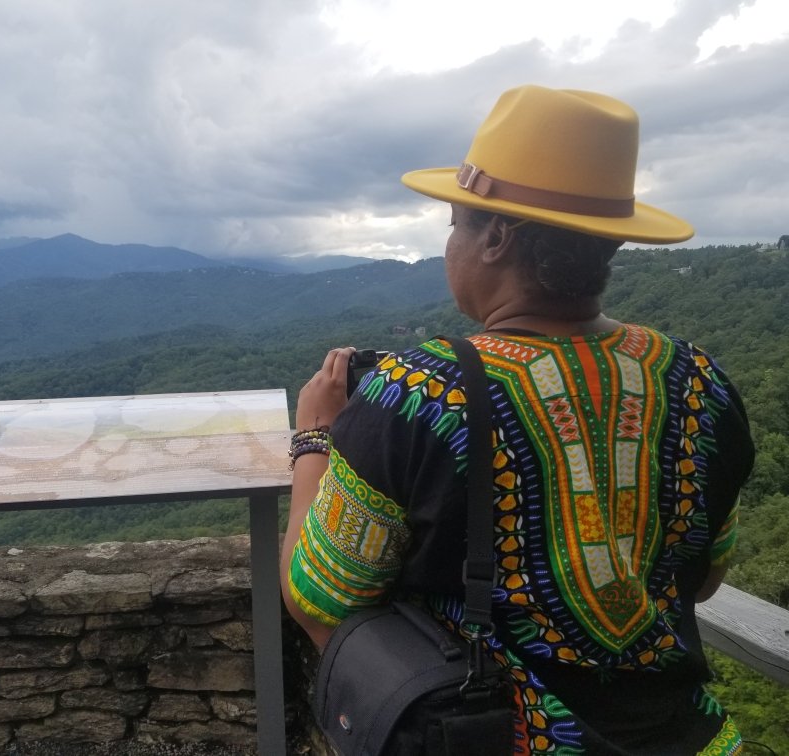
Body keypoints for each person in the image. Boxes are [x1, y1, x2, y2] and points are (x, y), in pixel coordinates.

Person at [280, 85, 754, 754]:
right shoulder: (703, 382)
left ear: (496, 237)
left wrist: (314, 437)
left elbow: (318, 602)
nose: (450, 243)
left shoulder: (417, 392)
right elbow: (702, 581)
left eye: (455, 224)